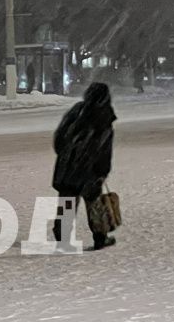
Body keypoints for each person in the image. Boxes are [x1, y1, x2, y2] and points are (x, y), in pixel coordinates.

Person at [51, 82, 117, 250]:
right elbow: (104, 149)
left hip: (68, 167)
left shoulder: (77, 110)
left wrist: (66, 156)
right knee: (94, 202)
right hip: (90, 169)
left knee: (67, 201)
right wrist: (102, 171)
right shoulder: (104, 116)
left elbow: (59, 136)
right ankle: (100, 238)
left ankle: (63, 239)